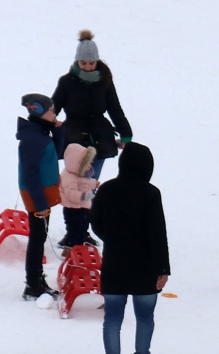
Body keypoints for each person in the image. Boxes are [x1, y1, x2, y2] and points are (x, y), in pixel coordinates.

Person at [90, 142, 170, 354]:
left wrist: (112, 239)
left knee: (112, 319)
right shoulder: (151, 193)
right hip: (145, 265)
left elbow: (95, 223)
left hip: (114, 263)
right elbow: (158, 232)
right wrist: (163, 268)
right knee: (145, 316)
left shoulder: (107, 190)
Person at [53, 29, 133, 249]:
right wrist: (45, 126)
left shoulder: (105, 81)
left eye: (91, 63)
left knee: (90, 186)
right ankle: (72, 234)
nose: (88, 67)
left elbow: (115, 108)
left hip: (100, 139)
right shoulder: (67, 82)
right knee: (73, 185)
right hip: (74, 140)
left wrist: (126, 133)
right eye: (84, 63)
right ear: (77, 62)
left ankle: (84, 230)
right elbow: (54, 107)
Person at [16, 94, 62, 302]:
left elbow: (58, 153)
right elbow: (29, 174)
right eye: (52, 111)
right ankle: (33, 283)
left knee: (40, 237)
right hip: (37, 196)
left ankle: (36, 279)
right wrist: (40, 204)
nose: (55, 114)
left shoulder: (41, 132)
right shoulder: (32, 140)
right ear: (38, 112)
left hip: (43, 195)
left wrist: (57, 130)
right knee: (37, 239)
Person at [59, 141, 100, 258]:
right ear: (76, 164)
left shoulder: (80, 173)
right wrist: (83, 196)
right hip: (72, 209)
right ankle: (69, 251)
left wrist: (94, 184)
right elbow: (70, 193)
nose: (90, 166)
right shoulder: (68, 176)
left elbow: (85, 183)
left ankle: (79, 249)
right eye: (86, 163)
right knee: (74, 231)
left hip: (82, 208)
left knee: (82, 230)